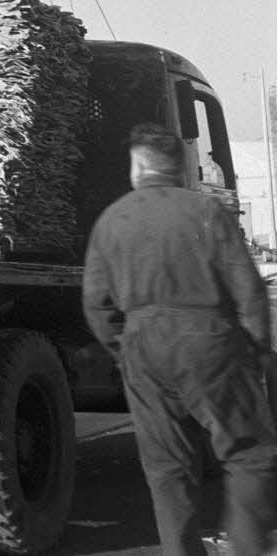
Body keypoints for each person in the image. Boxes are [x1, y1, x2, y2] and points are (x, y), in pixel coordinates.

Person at [82, 123, 277, 556]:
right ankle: (248, 547)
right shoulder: (207, 211)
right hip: (211, 340)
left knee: (168, 469)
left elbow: (96, 304)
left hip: (143, 347)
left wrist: (125, 349)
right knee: (249, 454)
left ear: (137, 167)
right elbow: (248, 289)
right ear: (181, 166)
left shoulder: (113, 219)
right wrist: (261, 349)